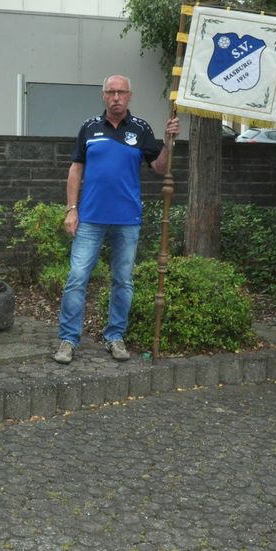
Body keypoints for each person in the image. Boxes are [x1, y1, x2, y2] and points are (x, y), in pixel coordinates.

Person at [54, 75, 180, 364]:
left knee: (122, 281)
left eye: (121, 92)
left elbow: (160, 168)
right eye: (111, 92)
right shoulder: (89, 128)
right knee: (76, 279)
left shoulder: (141, 129)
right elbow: (75, 170)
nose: (116, 97)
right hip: (90, 218)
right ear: (103, 96)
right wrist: (71, 209)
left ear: (129, 96)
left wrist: (168, 142)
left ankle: (115, 337)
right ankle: (68, 340)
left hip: (127, 219)